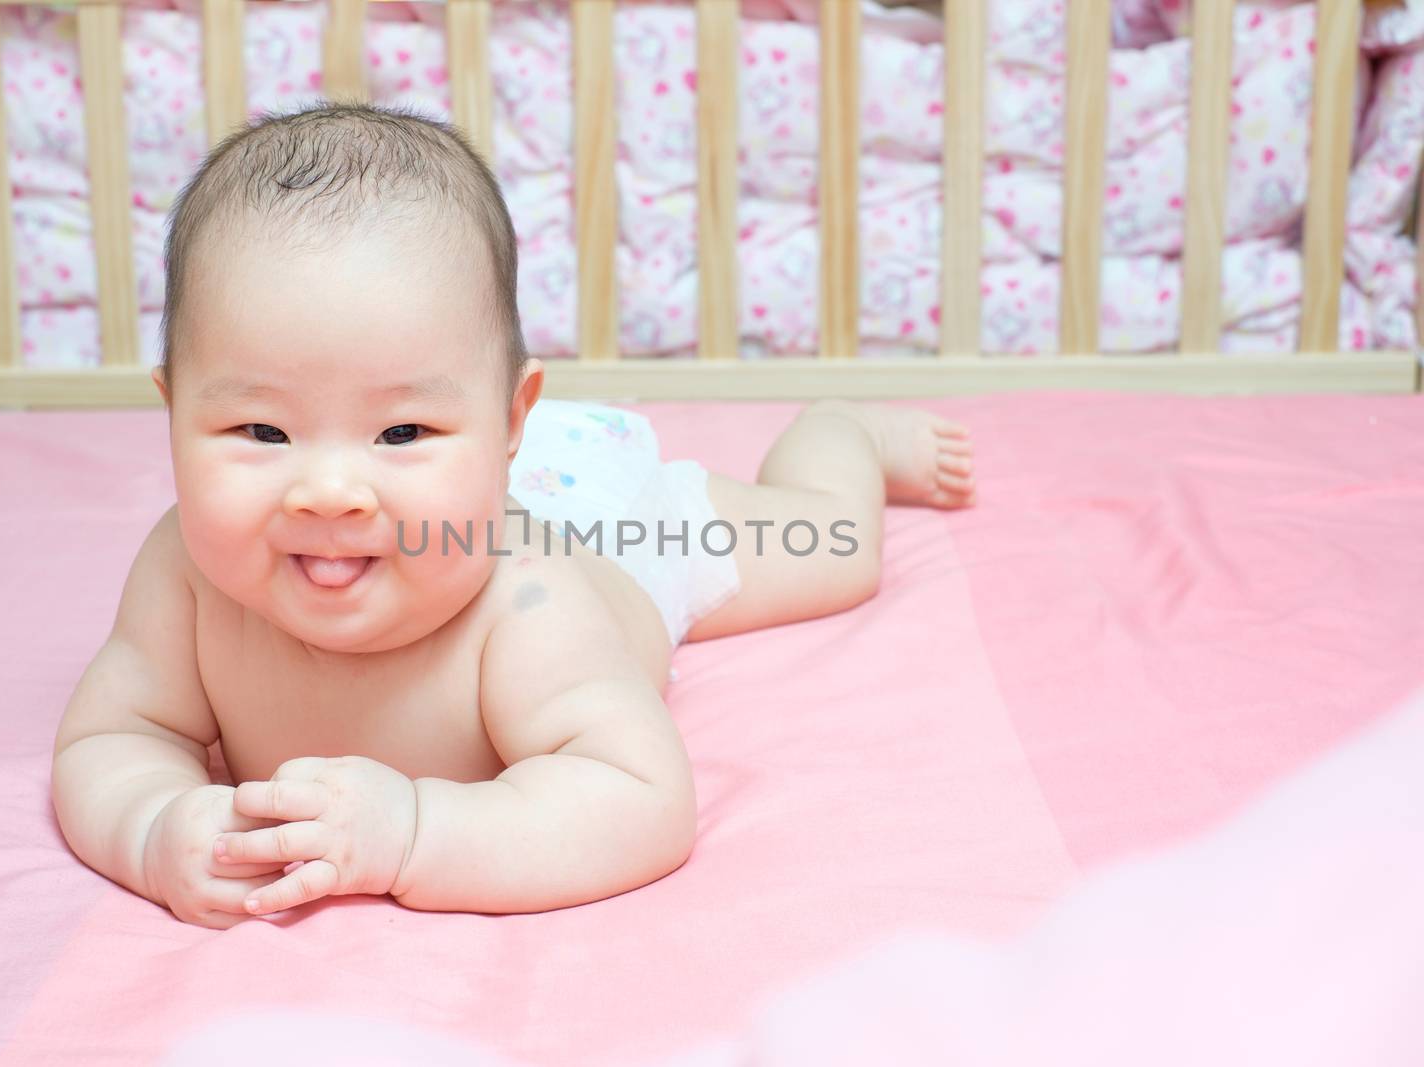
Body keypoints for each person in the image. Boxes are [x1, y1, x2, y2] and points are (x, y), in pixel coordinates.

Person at [49, 103, 978, 929]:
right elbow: (114, 737)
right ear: (173, 412)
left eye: (400, 428)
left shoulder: (524, 600)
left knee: (836, 547)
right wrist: (152, 825)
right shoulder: (186, 569)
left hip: (614, 525)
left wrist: (414, 832)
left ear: (509, 421)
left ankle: (841, 432)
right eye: (262, 428)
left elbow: (641, 798)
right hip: (477, 475)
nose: (328, 491)